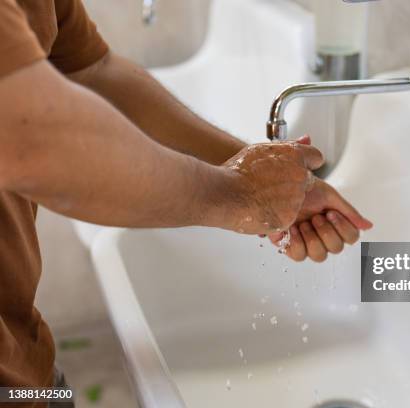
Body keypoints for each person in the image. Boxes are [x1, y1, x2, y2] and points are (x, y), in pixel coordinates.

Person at [0, 0, 372, 404]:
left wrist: (259, 176)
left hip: (22, 364)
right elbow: (29, 139)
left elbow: (90, 72)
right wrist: (237, 195)